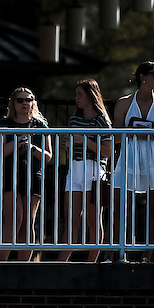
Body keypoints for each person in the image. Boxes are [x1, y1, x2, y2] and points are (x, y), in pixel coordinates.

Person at [110, 62, 154, 259]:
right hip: (131, 154)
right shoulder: (123, 103)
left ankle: (147, 255)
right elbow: (116, 136)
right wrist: (133, 132)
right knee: (121, 204)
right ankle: (117, 252)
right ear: (142, 77)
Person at [0, 86, 52, 261]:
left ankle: (24, 266)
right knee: (14, 219)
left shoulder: (41, 125)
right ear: (13, 103)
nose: (25, 103)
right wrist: (19, 139)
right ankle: (0, 264)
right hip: (11, 172)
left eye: (29, 99)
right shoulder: (5, 124)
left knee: (28, 222)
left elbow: (48, 156)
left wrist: (32, 148)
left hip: (33, 173)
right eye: (20, 100)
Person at [57, 79, 112, 263]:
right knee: (70, 220)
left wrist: (85, 141)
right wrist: (68, 144)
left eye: (80, 94)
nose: (76, 98)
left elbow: (107, 151)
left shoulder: (102, 120)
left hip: (94, 170)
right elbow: (73, 145)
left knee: (93, 220)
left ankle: (91, 263)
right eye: (76, 94)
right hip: (75, 168)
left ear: (90, 95)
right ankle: (61, 264)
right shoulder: (74, 119)